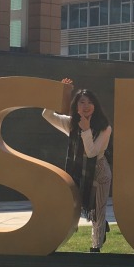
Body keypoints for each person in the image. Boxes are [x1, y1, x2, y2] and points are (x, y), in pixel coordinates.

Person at [43, 79, 113, 252]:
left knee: (98, 210)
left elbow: (92, 153)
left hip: (100, 172)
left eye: (90, 102)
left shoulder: (105, 128)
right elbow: (46, 114)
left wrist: (87, 129)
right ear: (76, 106)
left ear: (95, 106)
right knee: (74, 207)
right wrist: (61, 91)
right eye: (82, 102)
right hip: (78, 173)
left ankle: (96, 247)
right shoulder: (70, 123)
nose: (86, 106)